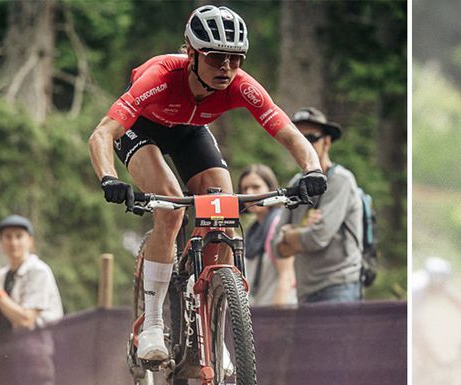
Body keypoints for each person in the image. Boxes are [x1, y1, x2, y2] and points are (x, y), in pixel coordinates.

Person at [87, 5, 327, 361]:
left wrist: (313, 170)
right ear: (191, 53)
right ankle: (152, 325)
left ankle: (211, 325)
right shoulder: (160, 77)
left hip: (190, 131)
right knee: (170, 208)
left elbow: (289, 133)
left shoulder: (241, 85)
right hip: (141, 129)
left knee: (225, 211)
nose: (226, 68)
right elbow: (102, 133)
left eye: (236, 59)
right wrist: (109, 178)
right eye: (216, 57)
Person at [275, 107, 363, 303]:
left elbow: (318, 237)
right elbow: (276, 247)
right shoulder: (295, 183)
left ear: (327, 142)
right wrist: (301, 233)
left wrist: (290, 235)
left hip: (338, 286)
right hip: (305, 290)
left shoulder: (340, 180)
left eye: (312, 138)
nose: (305, 144)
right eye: (298, 138)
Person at [0, 215, 64, 385]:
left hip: (34, 358)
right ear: (1, 243)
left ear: (30, 240)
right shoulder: (1, 275)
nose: (13, 242)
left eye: (19, 236)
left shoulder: (38, 271)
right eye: (8, 237)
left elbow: (26, 320)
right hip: (3, 360)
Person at [238, 164, 297, 306]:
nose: (249, 193)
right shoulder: (252, 231)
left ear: (270, 189)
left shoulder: (278, 225)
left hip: (279, 308)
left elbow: (287, 277)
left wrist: (278, 317)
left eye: (256, 187)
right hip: (259, 310)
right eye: (244, 189)